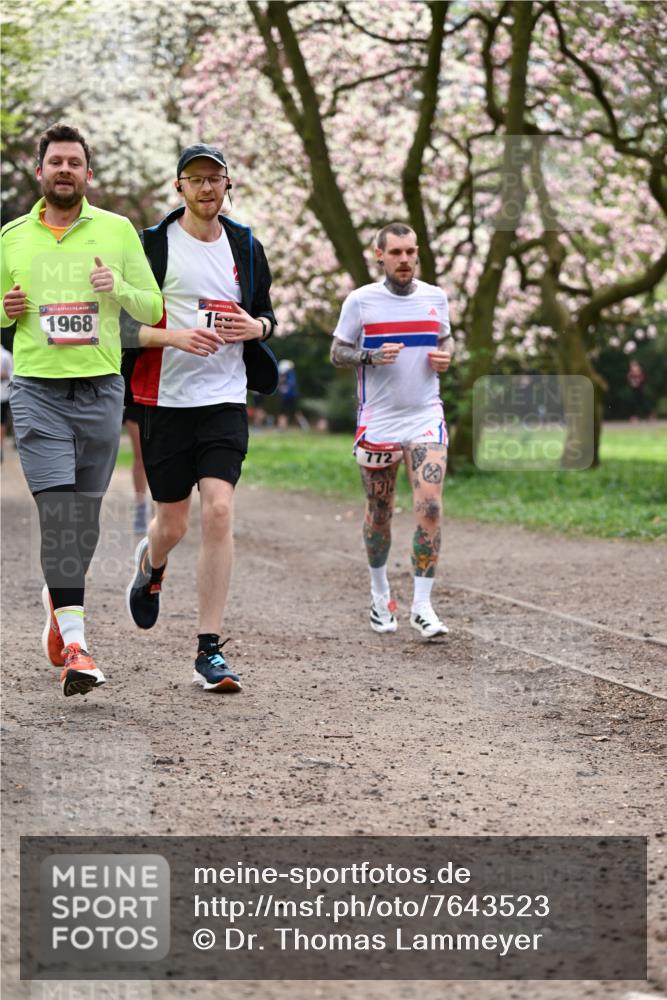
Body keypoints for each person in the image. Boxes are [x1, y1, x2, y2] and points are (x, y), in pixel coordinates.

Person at [0, 123, 163, 697]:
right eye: (55, 162)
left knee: (84, 523)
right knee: (59, 517)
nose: (64, 170)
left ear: (88, 174)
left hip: (100, 392)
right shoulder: (11, 237)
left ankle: (58, 602)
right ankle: (77, 646)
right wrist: (5, 308)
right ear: (39, 172)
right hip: (37, 391)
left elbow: (153, 306)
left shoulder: (117, 231)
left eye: (74, 162)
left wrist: (115, 285)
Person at [124, 143, 277, 693]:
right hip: (164, 401)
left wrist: (256, 328)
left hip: (224, 399)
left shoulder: (246, 245)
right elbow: (123, 326)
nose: (207, 187)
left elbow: (266, 314)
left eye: (215, 178)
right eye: (196, 179)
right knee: (173, 525)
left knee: (218, 509)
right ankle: (152, 562)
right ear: (180, 187)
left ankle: (208, 649)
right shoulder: (151, 246)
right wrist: (176, 338)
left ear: (227, 185)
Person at [330, 222, 452, 639]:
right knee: (380, 512)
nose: (404, 260)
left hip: (425, 415)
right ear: (379, 255)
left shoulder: (435, 297)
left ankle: (422, 606)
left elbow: (447, 340)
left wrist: (446, 356)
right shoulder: (361, 301)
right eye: (396, 252)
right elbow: (337, 352)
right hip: (379, 419)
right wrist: (370, 356)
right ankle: (380, 595)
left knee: (430, 507)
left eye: (410, 252)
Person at [0, 343, 13, 461]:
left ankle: (0, 446)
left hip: (2, 394)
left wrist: (4, 375)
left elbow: (12, 375)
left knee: (2, 422)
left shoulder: (5, 355)